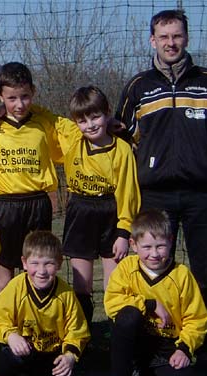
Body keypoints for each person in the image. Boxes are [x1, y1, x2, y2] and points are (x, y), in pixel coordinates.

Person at [115, 9, 207, 374]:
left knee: (205, 275)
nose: (170, 43)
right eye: (164, 37)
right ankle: (150, 350)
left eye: (177, 36)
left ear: (186, 38)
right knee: (152, 272)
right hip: (154, 196)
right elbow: (120, 138)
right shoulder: (138, 86)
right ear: (152, 40)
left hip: (202, 195)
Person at [100, 209, 207, 376]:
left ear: (171, 241)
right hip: (135, 342)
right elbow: (112, 303)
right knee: (128, 315)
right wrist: (149, 304)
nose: (155, 254)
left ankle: (144, 374)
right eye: (147, 247)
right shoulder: (126, 268)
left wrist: (184, 349)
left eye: (160, 246)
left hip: (166, 346)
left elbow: (197, 319)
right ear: (133, 244)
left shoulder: (182, 275)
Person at [61, 86, 140, 326]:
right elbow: (44, 118)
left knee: (114, 282)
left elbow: (128, 193)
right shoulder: (72, 139)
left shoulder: (122, 149)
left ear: (107, 113)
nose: (90, 125)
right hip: (80, 210)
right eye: (82, 121)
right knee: (81, 283)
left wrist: (124, 232)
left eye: (95, 117)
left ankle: (114, 331)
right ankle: (83, 333)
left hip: (110, 212)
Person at [0, 62, 69, 292]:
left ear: (33, 91)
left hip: (37, 203)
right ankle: (6, 310)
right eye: (11, 98)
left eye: (25, 96)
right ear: (0, 96)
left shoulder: (44, 123)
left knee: (36, 264)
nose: (19, 104)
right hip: (3, 205)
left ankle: (34, 310)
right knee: (3, 266)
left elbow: (73, 133)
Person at [0, 230, 90, 376]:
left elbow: (77, 331)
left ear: (59, 263)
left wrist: (70, 356)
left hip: (50, 357)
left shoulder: (66, 294)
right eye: (35, 263)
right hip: (22, 353)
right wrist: (11, 335)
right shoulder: (16, 287)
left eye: (49, 264)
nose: (41, 271)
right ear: (24, 263)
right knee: (9, 355)